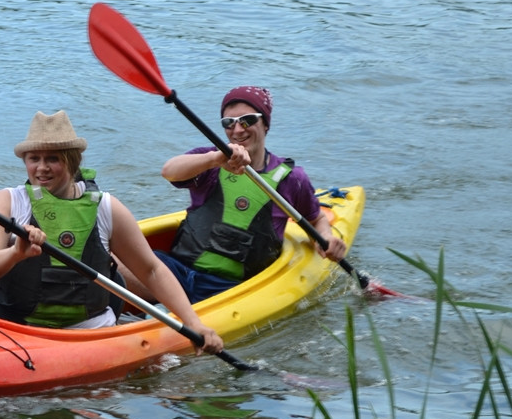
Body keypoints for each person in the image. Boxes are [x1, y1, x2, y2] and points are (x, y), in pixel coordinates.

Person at [0, 110, 223, 355]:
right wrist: (16, 253)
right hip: (19, 327)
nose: (41, 168)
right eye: (33, 158)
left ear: (72, 160)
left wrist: (193, 322)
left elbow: (151, 270)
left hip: (91, 334)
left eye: (53, 159)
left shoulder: (106, 208)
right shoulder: (7, 202)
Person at [126, 86, 347, 304]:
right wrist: (214, 159)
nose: (237, 130)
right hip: (175, 272)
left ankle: (165, 311)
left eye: (248, 120)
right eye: (228, 123)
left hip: (232, 289)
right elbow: (169, 171)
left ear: (266, 124)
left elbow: (315, 219)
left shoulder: (292, 180)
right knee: (107, 256)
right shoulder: (209, 160)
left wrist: (325, 238)